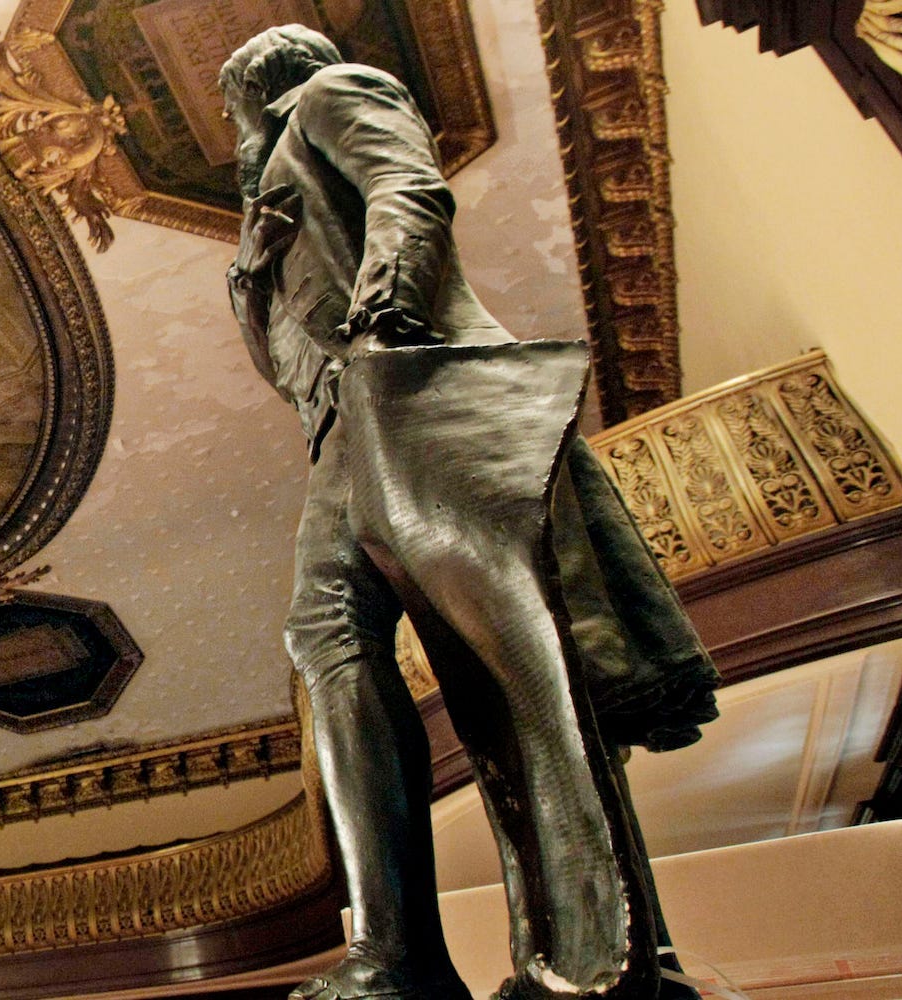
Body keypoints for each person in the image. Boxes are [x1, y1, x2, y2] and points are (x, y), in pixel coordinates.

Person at [218, 27, 719, 1000]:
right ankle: (393, 956)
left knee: (516, 665)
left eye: (230, 109)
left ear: (252, 86)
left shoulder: (328, 95)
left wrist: (385, 317)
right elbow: (281, 353)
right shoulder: (258, 210)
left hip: (400, 390)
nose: (229, 130)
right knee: (325, 641)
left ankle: (593, 954)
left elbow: (408, 188)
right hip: (338, 437)